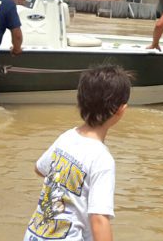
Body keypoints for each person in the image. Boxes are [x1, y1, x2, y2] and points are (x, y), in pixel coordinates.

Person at [25, 65, 132, 241]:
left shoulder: (67, 137)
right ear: (121, 109)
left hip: (35, 235)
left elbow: (39, 169)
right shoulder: (102, 159)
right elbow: (99, 219)